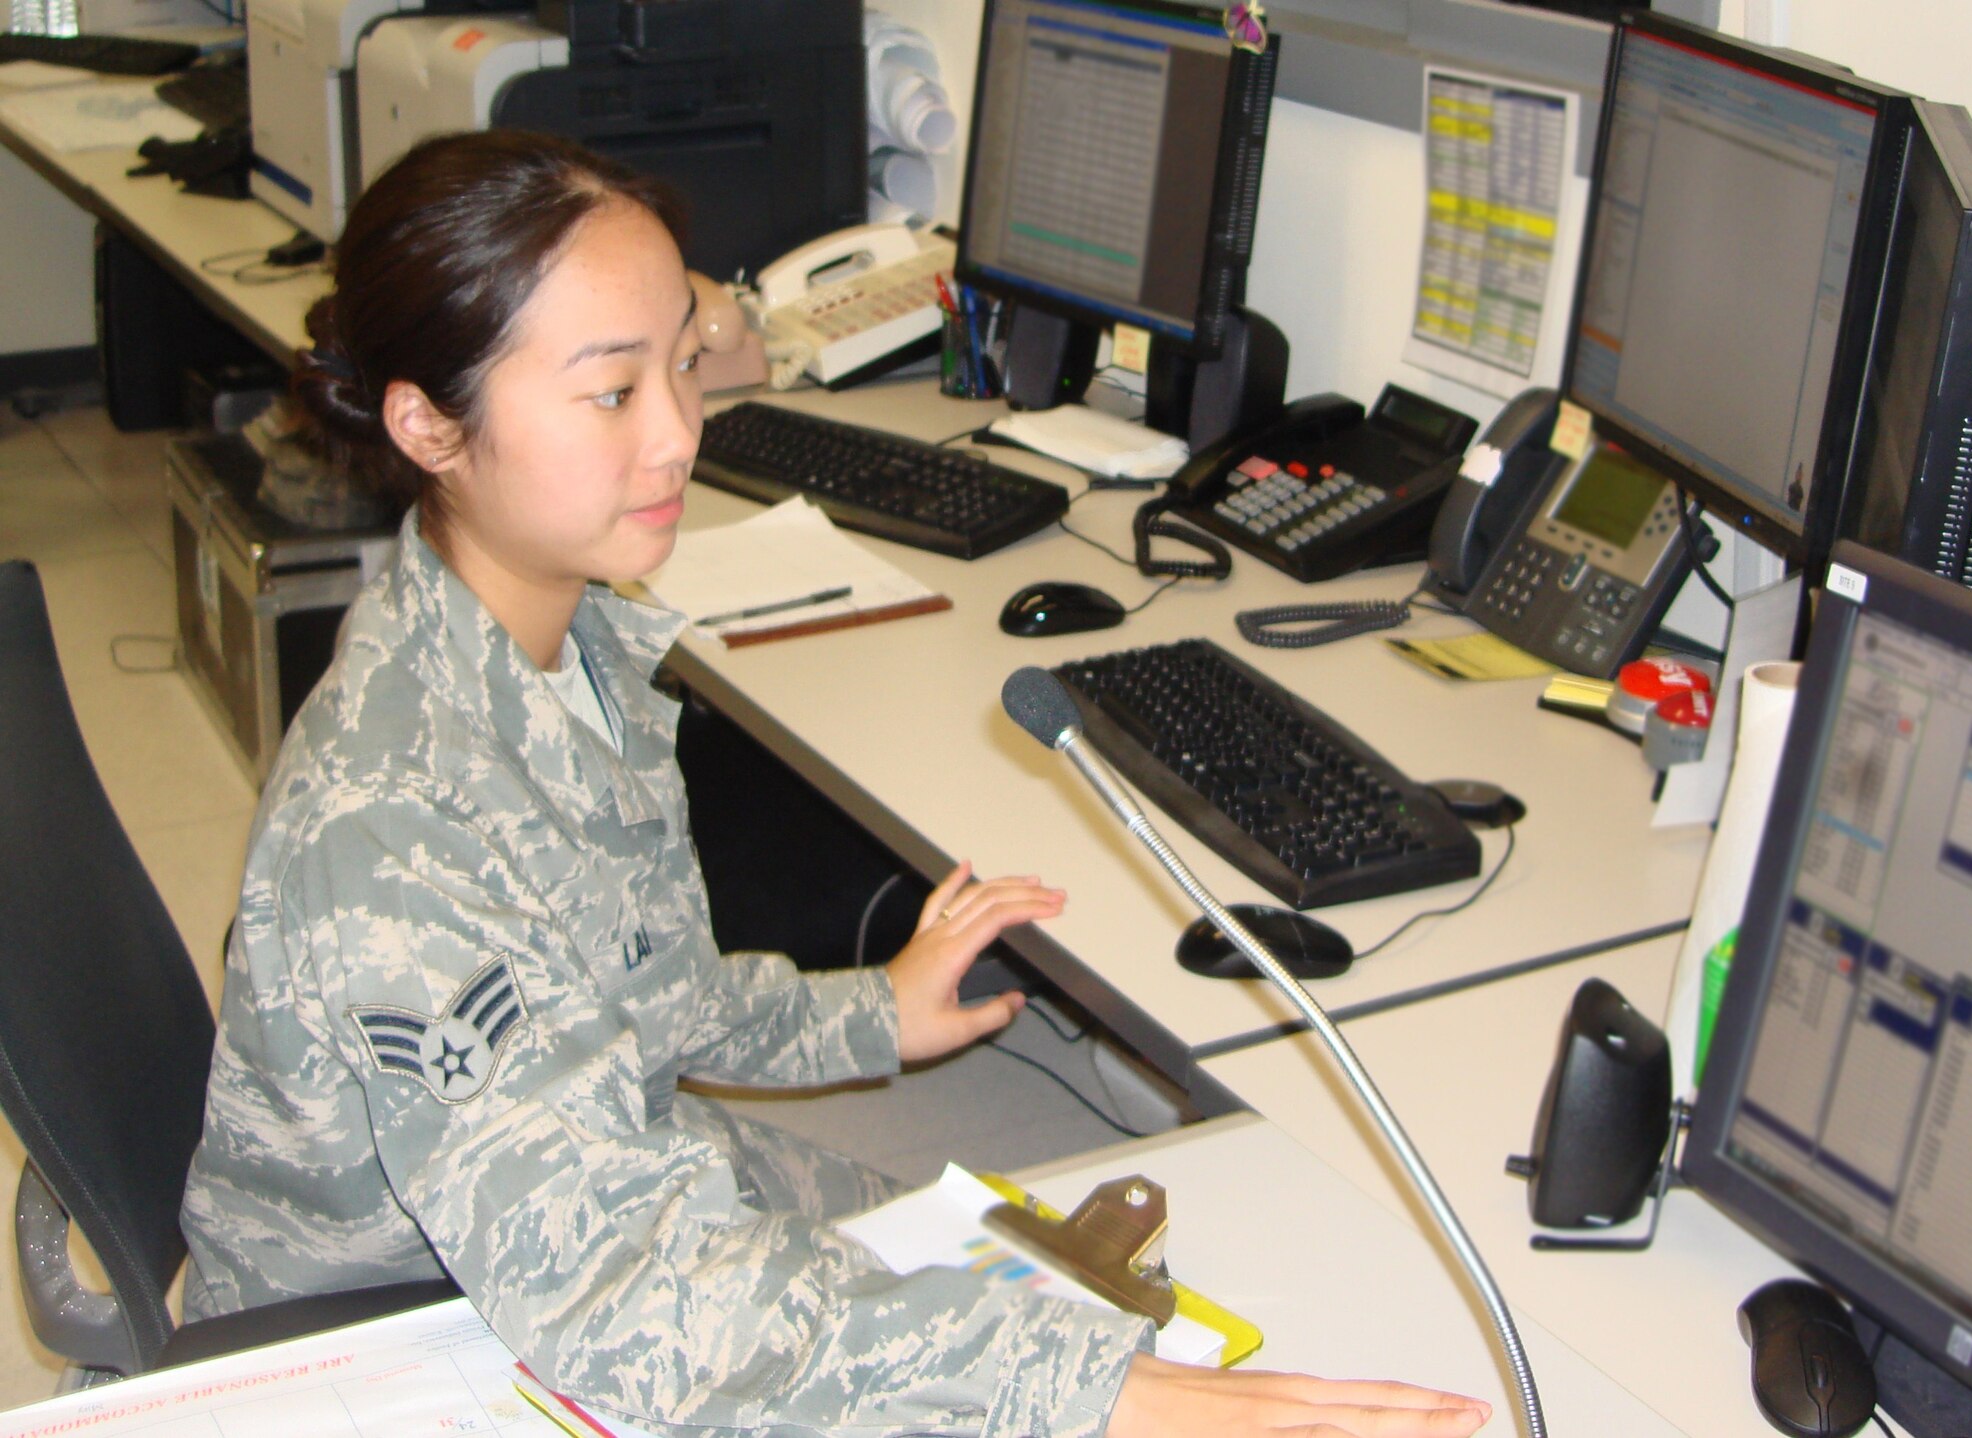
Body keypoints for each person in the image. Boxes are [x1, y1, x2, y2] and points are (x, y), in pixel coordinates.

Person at [179, 129, 1493, 1438]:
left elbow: (646, 993)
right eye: (611, 393)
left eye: (682, 367)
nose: (680, 436)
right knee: (1052, 1366)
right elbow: (628, 1307)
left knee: (1033, 1273)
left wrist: (871, 1013)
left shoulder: (561, 636)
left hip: (575, 1212)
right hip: (396, 1333)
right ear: (426, 421)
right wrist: (1086, 1396)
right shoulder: (400, 813)